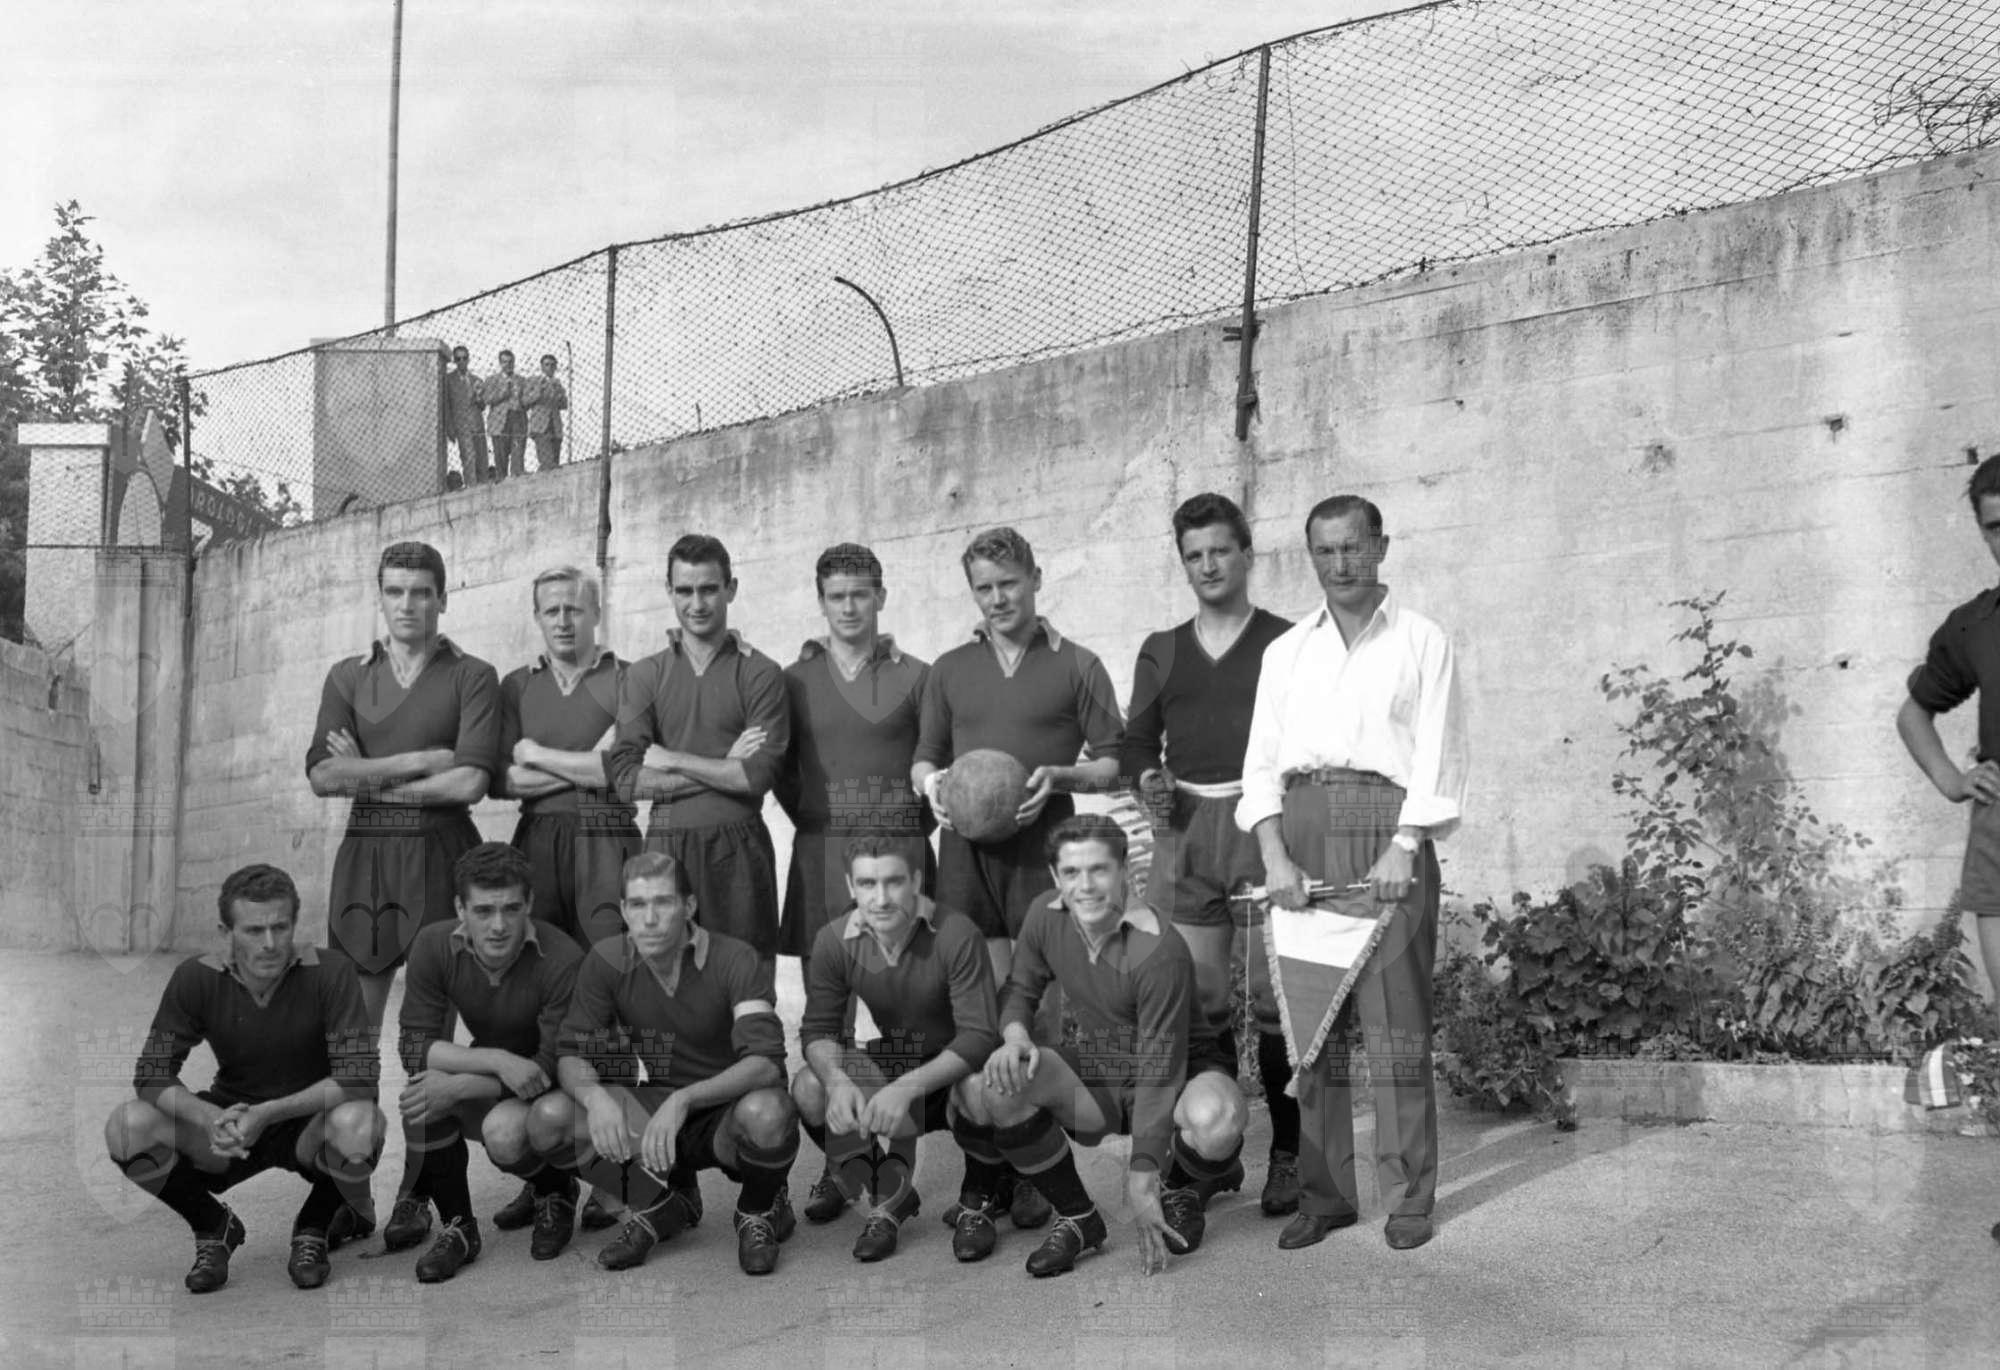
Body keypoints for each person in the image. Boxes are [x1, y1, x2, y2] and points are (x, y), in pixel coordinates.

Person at [1236, 494, 1468, 1252]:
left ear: (1381, 546)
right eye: (1325, 551)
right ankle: (1326, 1194)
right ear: (1310, 557)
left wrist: (1406, 842)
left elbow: (1440, 752)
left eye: (1353, 547)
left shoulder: (1422, 640)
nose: (1340, 564)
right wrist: (1274, 855)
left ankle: (1408, 1196)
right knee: (1314, 1030)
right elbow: (1260, 765)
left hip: (1386, 827)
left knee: (1396, 1029)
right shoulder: (1285, 652)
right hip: (1302, 830)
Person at [910, 526, 1124, 1234]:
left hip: (1043, 851)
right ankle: (987, 1181)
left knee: (1036, 1016)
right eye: (984, 587)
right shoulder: (949, 669)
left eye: (1009, 583)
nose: (998, 598)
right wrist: (933, 785)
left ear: (1036, 578)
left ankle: (1033, 1175)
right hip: (966, 854)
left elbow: (1113, 763)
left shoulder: (1079, 665)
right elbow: (924, 757)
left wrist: (1058, 776)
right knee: (979, 1017)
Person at [305, 540, 501, 1254]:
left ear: (443, 597)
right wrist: (419, 761)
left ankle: (419, 1193)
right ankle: (349, 1197)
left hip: (442, 857)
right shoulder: (347, 677)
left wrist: (367, 772)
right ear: (380, 597)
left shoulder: (473, 676)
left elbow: (470, 781)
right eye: (395, 591)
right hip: (366, 863)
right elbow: (322, 776)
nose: (408, 604)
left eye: (422, 591)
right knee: (353, 1044)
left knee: (427, 1047)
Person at [951, 815, 1247, 1277]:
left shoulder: (1158, 948)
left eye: (1098, 870)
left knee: (1218, 1119)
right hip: (1103, 1064)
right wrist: (1015, 1036)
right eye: (1071, 872)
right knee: (1000, 1084)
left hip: (1180, 1069)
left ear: (1124, 870)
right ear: (1055, 876)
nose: (1085, 886)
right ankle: (1079, 1218)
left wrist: (1142, 1179)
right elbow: (1021, 988)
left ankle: (1181, 1185)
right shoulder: (1045, 914)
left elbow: (1160, 1070)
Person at [1120, 493, 1295, 1214]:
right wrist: (1146, 779)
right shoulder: (1161, 649)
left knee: (1278, 1001)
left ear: (1247, 554)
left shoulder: (1287, 641)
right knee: (1199, 998)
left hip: (1264, 822)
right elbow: (1135, 743)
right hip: (1186, 829)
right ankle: (1212, 1160)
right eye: (1194, 555)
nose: (1208, 565)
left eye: (1220, 550)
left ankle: (1289, 1152)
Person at [103, 864, 384, 1294]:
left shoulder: (331, 971)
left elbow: (359, 1077)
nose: (270, 943)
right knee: (127, 1126)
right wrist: (207, 1116)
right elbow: (152, 1072)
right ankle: (213, 1226)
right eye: (254, 930)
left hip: (309, 1122)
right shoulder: (196, 977)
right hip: (232, 1120)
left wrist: (269, 1113)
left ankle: (313, 1228)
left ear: (294, 923)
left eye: (280, 927)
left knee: (361, 1120)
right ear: (226, 931)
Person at [530, 852, 801, 1276]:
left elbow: (765, 1064)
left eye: (663, 902)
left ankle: (759, 1210)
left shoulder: (736, 958)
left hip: (727, 1111)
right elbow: (572, 1054)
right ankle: (658, 1207)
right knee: (549, 1118)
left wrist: (684, 1099)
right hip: (658, 1112)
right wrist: (596, 1099)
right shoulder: (607, 960)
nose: (650, 918)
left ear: (688, 906)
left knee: (769, 1112)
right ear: (624, 911)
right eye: (638, 905)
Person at [774, 542, 934, 1225]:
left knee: (911, 1012)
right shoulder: (792, 680)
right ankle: (843, 1163)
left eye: (860, 594)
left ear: (881, 597)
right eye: (836, 595)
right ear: (820, 601)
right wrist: (823, 823)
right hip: (821, 851)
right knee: (827, 1018)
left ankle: (915, 1159)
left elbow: (933, 765)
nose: (848, 607)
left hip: (898, 851)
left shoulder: (919, 676)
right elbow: (782, 773)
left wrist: (900, 831)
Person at [793, 833, 999, 1262]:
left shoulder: (956, 932)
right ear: (851, 886)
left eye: (893, 882)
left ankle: (979, 1198)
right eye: (867, 884)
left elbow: (979, 1037)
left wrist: (904, 1089)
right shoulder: (834, 939)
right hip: (898, 1056)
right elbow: (818, 1030)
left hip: (957, 1068)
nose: (881, 898)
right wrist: (836, 1080)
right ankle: (889, 1193)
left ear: (917, 881)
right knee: (810, 1087)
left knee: (980, 1087)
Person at [394, 843, 588, 1283]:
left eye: (510, 909)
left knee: (504, 1134)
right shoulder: (433, 945)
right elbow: (413, 1044)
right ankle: (460, 1229)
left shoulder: (562, 958)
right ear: (459, 908)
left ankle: (555, 1190)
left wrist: (461, 1085)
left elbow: (550, 1065)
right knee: (423, 1094)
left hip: (565, 1084)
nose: (498, 926)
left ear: (529, 904)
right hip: (505, 1069)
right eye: (483, 911)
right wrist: (495, 1060)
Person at [1896, 451, 2000, 1245]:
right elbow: (1913, 714)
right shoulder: (1975, 626)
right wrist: (1951, 779)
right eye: (1995, 527)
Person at [606, 534, 789, 975]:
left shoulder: (761, 673)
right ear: (669, 592)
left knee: (746, 974)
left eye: (708, 589)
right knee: (666, 977)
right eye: (684, 590)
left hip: (739, 847)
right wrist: (725, 762)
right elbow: (626, 779)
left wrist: (674, 758)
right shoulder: (645, 675)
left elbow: (755, 776)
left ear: (731, 589)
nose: (697, 603)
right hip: (666, 844)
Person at [444, 345, 490, 485]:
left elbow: (483, 406)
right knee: (469, 458)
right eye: (458, 359)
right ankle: (471, 487)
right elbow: (446, 405)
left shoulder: (476, 380)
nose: (462, 361)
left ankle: (482, 487)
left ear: (468, 359)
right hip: (461, 426)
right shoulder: (449, 380)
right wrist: (450, 428)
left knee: (482, 459)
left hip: (477, 424)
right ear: (454, 361)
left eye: (464, 358)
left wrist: (478, 397)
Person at [479, 350, 527, 480]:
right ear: (500, 363)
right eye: (505, 362)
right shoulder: (492, 380)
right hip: (500, 422)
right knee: (500, 457)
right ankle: (501, 480)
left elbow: (526, 400)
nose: (508, 365)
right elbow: (486, 399)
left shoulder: (521, 380)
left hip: (517, 419)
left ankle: (517, 479)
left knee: (517, 455)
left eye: (510, 362)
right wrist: (502, 394)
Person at [524, 354, 568, 470]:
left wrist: (559, 395)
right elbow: (525, 401)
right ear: (542, 367)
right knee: (546, 461)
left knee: (555, 460)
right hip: (541, 425)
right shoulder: (534, 381)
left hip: (555, 425)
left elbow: (564, 405)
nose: (550, 368)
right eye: (547, 365)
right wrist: (538, 391)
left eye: (553, 365)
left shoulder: (557, 383)